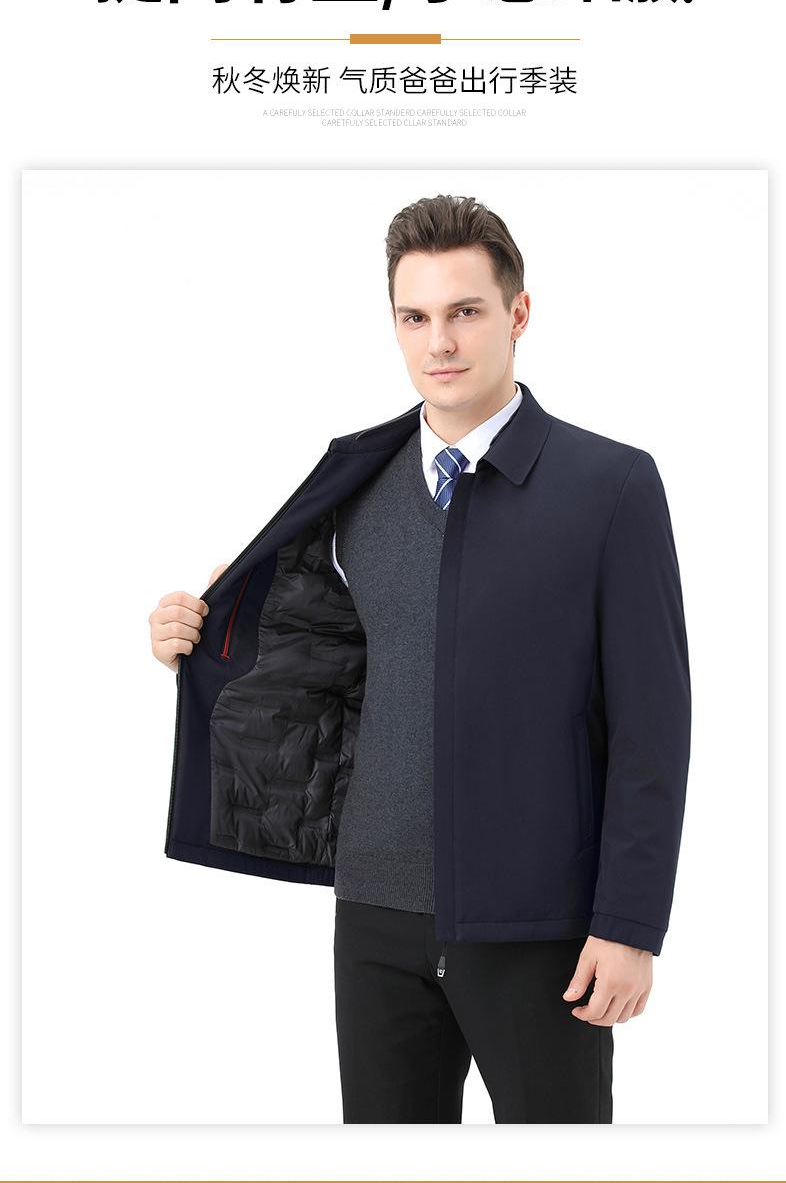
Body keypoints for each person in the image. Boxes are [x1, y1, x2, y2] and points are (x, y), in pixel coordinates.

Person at [149, 193, 691, 1124]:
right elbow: (333, 665)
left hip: (541, 927)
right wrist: (200, 642)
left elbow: (654, 726)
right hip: (375, 919)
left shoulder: (611, 487)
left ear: (518, 313)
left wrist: (629, 925)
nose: (439, 341)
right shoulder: (359, 484)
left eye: (465, 311)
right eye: (415, 316)